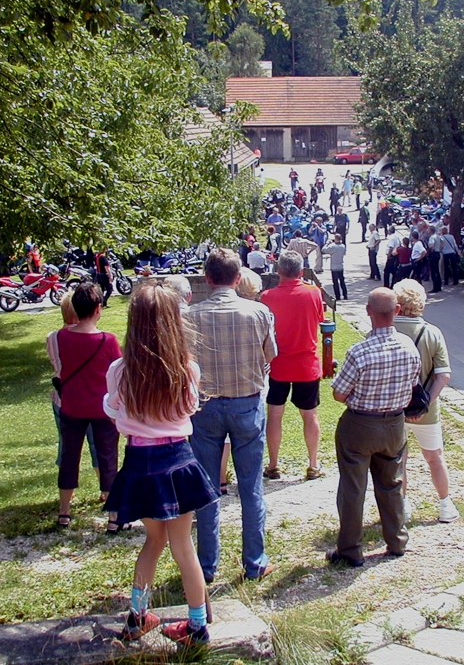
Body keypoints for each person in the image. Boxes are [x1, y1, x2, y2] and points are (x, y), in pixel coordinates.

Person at [102, 282, 220, 645]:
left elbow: (112, 410)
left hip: (139, 461)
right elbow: (189, 408)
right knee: (183, 545)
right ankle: (196, 626)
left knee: (152, 541)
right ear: (174, 322)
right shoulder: (187, 369)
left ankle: (137, 617)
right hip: (177, 459)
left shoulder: (119, 370)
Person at [185, 249, 278, 582]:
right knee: (250, 486)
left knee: (207, 488)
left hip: (206, 406)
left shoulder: (190, 316)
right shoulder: (259, 312)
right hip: (246, 404)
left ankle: (206, 565)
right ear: (238, 279)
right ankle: (254, 561)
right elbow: (271, 354)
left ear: (208, 278)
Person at [327, 288, 421, 567]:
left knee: (353, 488)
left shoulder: (359, 352)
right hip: (394, 423)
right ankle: (397, 540)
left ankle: (350, 549)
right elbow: (413, 384)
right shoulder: (408, 346)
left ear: (368, 311)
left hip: (360, 423)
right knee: (392, 483)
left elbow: (339, 394)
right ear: (397, 311)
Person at [54, 283, 122, 528]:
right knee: (108, 457)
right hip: (101, 408)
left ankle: (64, 511)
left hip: (72, 406)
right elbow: (118, 370)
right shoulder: (108, 340)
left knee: (69, 456)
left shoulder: (62, 337)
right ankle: (113, 516)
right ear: (98, 308)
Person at [393, 280, 459, 522]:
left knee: (399, 459)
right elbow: (443, 375)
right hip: (425, 408)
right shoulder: (432, 332)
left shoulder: (388, 329)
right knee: (435, 457)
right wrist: (426, 403)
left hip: (394, 406)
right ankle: (445, 505)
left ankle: (403, 506)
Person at [260, 251, 326, 481]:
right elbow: (320, 319)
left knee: (274, 414)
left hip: (278, 364)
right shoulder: (313, 292)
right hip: (306, 364)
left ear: (279, 271)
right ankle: (313, 464)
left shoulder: (267, 297)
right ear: (301, 271)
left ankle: (273, 464)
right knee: (310, 415)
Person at [47, 294, 100, 480]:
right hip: (91, 399)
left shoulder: (52, 337)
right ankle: (105, 487)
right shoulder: (96, 337)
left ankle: (66, 488)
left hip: (63, 398)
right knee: (98, 446)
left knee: (67, 447)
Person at [323, 233, 348, 301]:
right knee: (342, 281)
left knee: (335, 282)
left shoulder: (333, 247)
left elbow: (324, 250)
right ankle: (345, 295)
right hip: (340, 266)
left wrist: (327, 243)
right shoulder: (343, 246)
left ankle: (338, 296)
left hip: (334, 267)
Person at [427, 224, 443, 293]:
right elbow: (443, 242)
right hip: (438, 253)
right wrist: (440, 248)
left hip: (433, 254)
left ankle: (435, 287)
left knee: (433, 271)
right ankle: (439, 286)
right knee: (437, 270)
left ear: (431, 231)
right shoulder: (438, 236)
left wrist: (430, 250)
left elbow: (431, 245)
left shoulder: (432, 237)